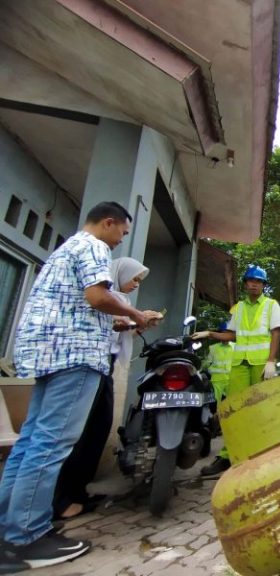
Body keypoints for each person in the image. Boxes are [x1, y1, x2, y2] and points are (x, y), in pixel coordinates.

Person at [0, 202, 151, 574]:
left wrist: (119, 323)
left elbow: (78, 307)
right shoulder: (94, 246)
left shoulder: (64, 250)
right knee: (51, 443)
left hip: (48, 351)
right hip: (75, 355)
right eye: (122, 233)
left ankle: (7, 529)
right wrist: (136, 314)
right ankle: (26, 538)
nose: (120, 241)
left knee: (32, 440)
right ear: (109, 223)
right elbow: (97, 297)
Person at [53, 257, 161, 521]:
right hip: (88, 364)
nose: (135, 284)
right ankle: (61, 500)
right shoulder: (102, 296)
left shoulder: (118, 299)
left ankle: (78, 493)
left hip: (104, 365)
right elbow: (109, 325)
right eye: (134, 278)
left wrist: (138, 322)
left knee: (98, 428)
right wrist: (136, 318)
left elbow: (120, 331)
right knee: (78, 431)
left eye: (138, 280)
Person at [192, 264, 280, 475]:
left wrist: (271, 361)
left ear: (263, 285)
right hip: (239, 364)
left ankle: (261, 456)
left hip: (261, 365)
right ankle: (227, 456)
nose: (254, 284)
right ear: (245, 284)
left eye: (258, 281)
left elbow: (276, 333)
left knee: (260, 410)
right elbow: (232, 335)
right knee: (234, 411)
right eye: (251, 280)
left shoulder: (271, 305)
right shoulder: (239, 308)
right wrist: (210, 334)